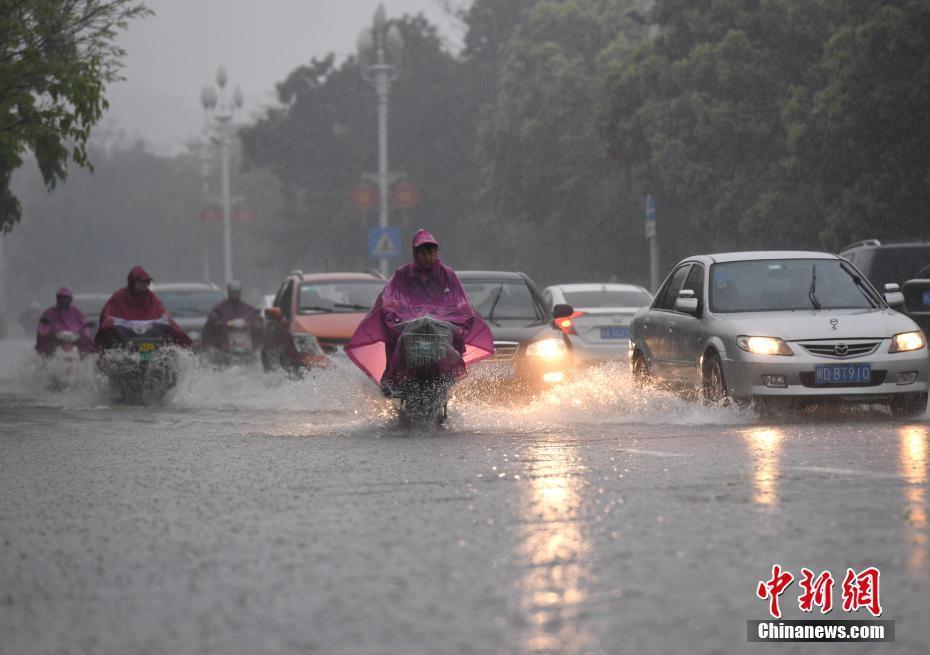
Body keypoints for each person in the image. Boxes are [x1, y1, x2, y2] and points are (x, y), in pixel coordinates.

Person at [347, 229, 494, 393]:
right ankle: (395, 382)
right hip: (409, 326)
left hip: (441, 327)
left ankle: (448, 378)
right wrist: (391, 311)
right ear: (415, 254)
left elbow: (460, 299)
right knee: (396, 342)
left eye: (431, 252)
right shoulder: (402, 275)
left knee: (454, 342)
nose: (428, 257)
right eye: (423, 253)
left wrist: (461, 313)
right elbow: (389, 297)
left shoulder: (447, 274)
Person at [94, 266, 192, 351]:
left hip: (149, 339)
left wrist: (165, 317)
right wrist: (109, 320)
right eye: (142, 282)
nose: (145, 285)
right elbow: (107, 313)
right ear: (133, 281)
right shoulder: (119, 297)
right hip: (124, 340)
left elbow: (161, 311)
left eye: (147, 282)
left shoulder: (151, 298)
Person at [200, 280, 263, 351]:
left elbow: (256, 316)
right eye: (233, 292)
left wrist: (254, 323)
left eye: (237, 292)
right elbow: (212, 319)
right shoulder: (220, 308)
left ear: (240, 292)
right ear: (229, 292)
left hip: (246, 340)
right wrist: (221, 323)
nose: (235, 294)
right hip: (224, 339)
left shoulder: (248, 308)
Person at [35, 287, 93, 357]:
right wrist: (47, 331)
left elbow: (83, 324)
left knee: (86, 343)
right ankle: (46, 358)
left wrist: (85, 331)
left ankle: (84, 358)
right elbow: (43, 328)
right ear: (57, 299)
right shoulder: (49, 312)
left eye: (66, 299)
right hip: (55, 339)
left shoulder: (76, 312)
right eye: (61, 298)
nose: (64, 301)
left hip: (73, 339)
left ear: (70, 300)